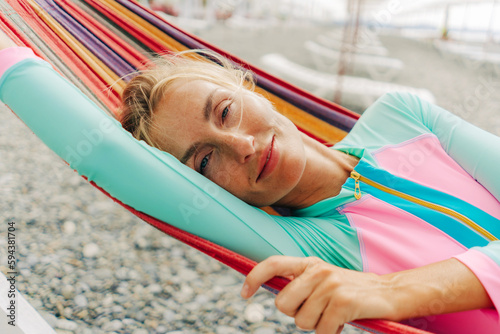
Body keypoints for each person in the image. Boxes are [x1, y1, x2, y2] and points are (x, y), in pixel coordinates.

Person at [1, 31, 498, 334]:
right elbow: (107, 155)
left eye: (225, 111)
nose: (241, 147)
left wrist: (394, 290)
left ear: (246, 83)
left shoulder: (404, 116)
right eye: (204, 162)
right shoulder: (317, 249)